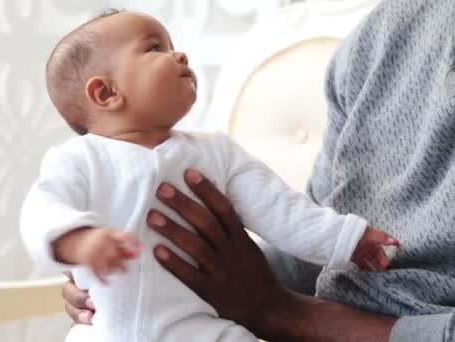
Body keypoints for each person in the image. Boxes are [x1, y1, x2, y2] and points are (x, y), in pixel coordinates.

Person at [61, 0, 455, 341]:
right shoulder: (371, 47)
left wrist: (276, 306)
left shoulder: (216, 153)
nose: (179, 56)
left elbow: (286, 218)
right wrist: (96, 265)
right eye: (154, 48)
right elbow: (307, 227)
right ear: (106, 93)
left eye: (172, 46)